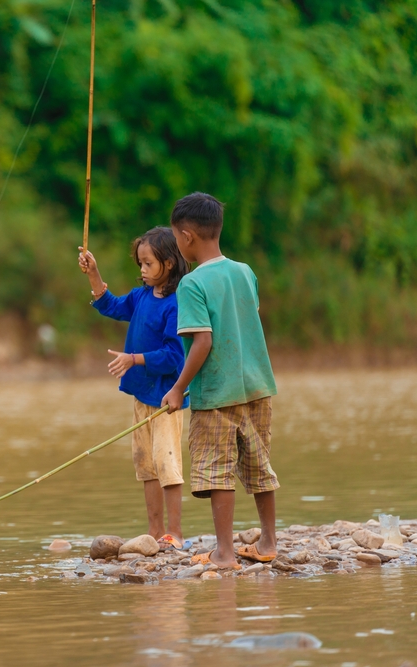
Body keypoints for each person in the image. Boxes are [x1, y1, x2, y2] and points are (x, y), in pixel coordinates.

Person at [161, 192, 279, 570]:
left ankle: (225, 553)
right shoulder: (245, 272)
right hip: (257, 386)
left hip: (216, 395)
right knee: (260, 466)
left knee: (216, 471)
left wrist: (178, 388)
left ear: (185, 236)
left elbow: (203, 341)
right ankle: (268, 542)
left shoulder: (192, 284)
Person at [79, 227, 190, 549]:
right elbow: (110, 306)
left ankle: (175, 533)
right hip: (142, 395)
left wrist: (134, 359)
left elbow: (174, 356)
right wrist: (94, 274)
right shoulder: (141, 297)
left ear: (168, 264)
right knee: (145, 464)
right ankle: (154, 533)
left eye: (148, 264)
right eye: (140, 263)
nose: (142, 270)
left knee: (167, 464)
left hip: (167, 397)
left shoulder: (175, 304)